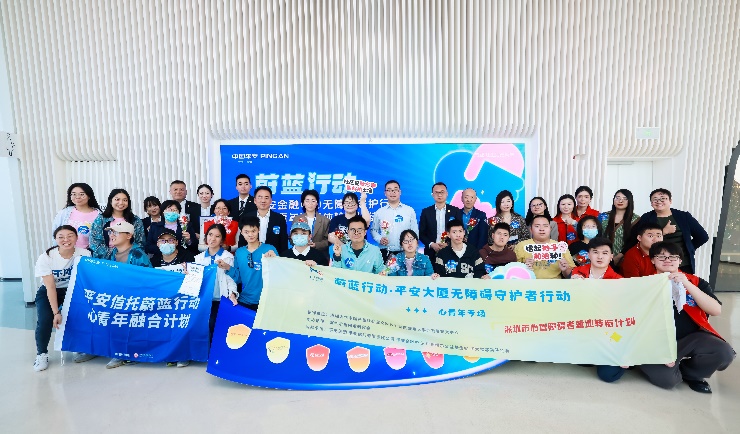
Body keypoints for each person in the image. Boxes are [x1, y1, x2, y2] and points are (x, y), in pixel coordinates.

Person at [600, 241, 735, 393]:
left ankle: (691, 374)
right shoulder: (643, 284)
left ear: (680, 260)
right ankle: (661, 365)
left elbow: (716, 310)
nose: (667, 260)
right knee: (668, 381)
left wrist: (687, 284)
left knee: (723, 352)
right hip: (653, 342)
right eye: (661, 257)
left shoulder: (696, 282)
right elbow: (626, 319)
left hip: (689, 338)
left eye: (673, 257)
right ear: (652, 260)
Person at [33, 225, 92, 371]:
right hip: (49, 291)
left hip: (72, 291)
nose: (66, 240)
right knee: (45, 320)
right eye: (61, 237)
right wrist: (56, 312)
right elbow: (50, 287)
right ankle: (41, 354)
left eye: (70, 236)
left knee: (78, 317)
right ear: (55, 239)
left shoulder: (84, 253)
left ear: (76, 238)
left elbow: (85, 278)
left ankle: (78, 347)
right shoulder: (46, 257)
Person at [569, 237, 626, 383]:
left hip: (608, 330)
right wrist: (571, 285)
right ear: (588, 254)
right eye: (595, 252)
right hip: (584, 326)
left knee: (608, 375)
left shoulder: (618, 280)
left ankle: (622, 353)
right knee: (582, 361)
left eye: (605, 253)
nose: (600, 256)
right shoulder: (577, 273)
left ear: (611, 256)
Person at [102, 221, 152, 369]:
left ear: (129, 235)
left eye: (116, 232)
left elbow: (148, 279)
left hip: (134, 299)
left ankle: (125, 353)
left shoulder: (138, 254)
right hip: (117, 298)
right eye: (111, 232)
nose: (112, 235)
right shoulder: (111, 254)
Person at [632, 188, 709, 274]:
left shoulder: (683, 216)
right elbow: (639, 238)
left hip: (682, 263)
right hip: (658, 263)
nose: (659, 201)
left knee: (683, 282)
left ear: (670, 201)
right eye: (655, 199)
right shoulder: (646, 217)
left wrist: (688, 248)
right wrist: (663, 232)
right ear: (651, 203)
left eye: (663, 198)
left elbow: (703, 237)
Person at [149, 228, 195, 368]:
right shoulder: (154, 260)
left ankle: (182, 354)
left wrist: (189, 274)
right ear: (157, 244)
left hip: (183, 299)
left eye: (170, 240)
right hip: (162, 300)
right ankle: (164, 352)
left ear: (176, 242)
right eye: (163, 241)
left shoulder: (187, 257)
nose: (166, 243)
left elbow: (196, 280)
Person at [218, 216, 278, 311]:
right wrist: (227, 267)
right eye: (246, 232)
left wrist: (275, 261)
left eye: (253, 231)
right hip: (245, 300)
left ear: (259, 230)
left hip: (266, 300)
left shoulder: (269, 249)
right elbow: (238, 279)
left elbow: (279, 275)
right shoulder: (239, 252)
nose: (250, 235)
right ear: (241, 232)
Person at [194, 224, 238, 345]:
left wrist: (232, 293)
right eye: (210, 235)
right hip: (204, 300)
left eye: (217, 236)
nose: (212, 239)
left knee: (218, 327)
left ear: (222, 240)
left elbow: (230, 279)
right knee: (204, 327)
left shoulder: (227, 257)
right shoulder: (198, 258)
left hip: (221, 299)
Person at [371, 180, 419, 262]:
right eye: (389, 190)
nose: (392, 192)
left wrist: (413, 249)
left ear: (400, 192)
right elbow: (374, 230)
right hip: (385, 252)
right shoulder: (379, 212)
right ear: (385, 193)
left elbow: (414, 232)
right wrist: (380, 239)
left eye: (395, 190)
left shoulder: (409, 210)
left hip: (405, 251)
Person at [89, 189, 145, 259]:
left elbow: (140, 242)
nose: (121, 203)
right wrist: (114, 255)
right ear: (110, 201)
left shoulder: (135, 220)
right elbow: (94, 242)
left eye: (125, 200)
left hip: (129, 259)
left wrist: (126, 255)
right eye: (117, 199)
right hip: (105, 259)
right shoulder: (101, 219)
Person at [514, 215, 575, 279]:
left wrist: (565, 270)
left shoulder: (560, 247)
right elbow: (513, 273)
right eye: (537, 226)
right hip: (529, 283)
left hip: (555, 284)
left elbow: (571, 275)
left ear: (550, 229)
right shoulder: (521, 246)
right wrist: (524, 267)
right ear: (531, 229)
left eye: (545, 226)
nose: (541, 229)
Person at [419, 182, 462, 262]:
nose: (439, 195)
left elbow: (460, 231)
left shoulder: (455, 211)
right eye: (437, 192)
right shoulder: (426, 212)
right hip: (431, 252)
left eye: (442, 192)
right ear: (432, 195)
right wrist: (432, 244)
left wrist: (448, 244)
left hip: (451, 250)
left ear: (447, 194)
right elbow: (421, 233)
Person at [238, 186, 288, 252]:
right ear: (255, 200)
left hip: (273, 255)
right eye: (260, 197)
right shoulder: (247, 217)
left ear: (271, 200)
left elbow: (283, 243)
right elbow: (242, 241)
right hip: (251, 255)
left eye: (266, 198)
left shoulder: (279, 218)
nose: (263, 201)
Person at [51, 183, 102, 249]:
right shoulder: (64, 213)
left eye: (82, 194)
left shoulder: (98, 215)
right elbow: (55, 232)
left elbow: (100, 238)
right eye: (74, 194)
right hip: (66, 251)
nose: (77, 197)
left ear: (89, 196)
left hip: (87, 253)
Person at [601, 189, 639, 268]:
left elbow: (633, 241)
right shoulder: (604, 216)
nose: (620, 201)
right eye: (617, 198)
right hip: (603, 257)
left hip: (625, 258)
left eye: (625, 199)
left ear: (629, 201)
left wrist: (619, 256)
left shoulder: (635, 219)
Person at [291, 189, 330, 258]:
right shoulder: (296, 219)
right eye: (307, 201)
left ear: (317, 203)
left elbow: (328, 241)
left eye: (313, 201)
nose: (310, 203)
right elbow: (291, 238)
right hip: (300, 254)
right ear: (303, 203)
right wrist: (300, 243)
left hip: (319, 255)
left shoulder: (325, 220)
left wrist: (316, 245)